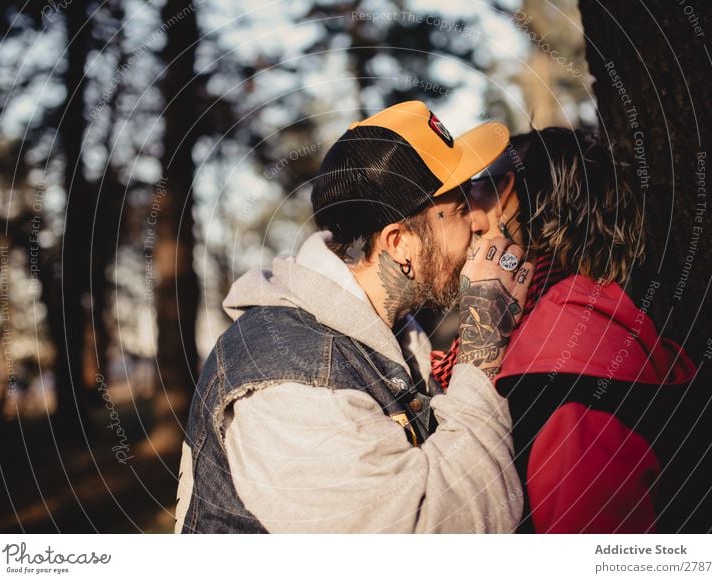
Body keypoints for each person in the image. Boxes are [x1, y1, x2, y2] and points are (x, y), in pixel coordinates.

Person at [174, 101, 535, 533]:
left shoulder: (391, 334)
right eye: (458, 207)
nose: (478, 219)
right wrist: (482, 345)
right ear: (399, 243)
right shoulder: (291, 386)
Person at [431, 127, 696, 533]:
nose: (466, 216)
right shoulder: (562, 321)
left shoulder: (564, 355)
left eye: (478, 189)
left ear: (521, 198)